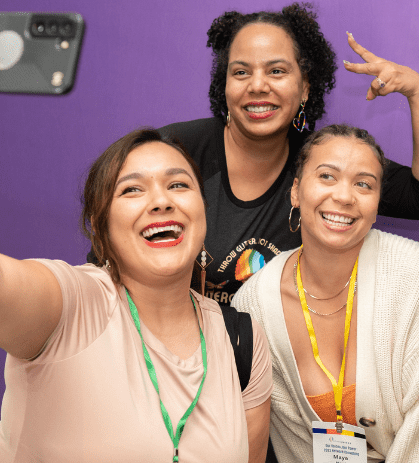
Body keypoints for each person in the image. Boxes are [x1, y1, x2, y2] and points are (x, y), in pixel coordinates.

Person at [0, 129, 272, 463]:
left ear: (203, 210)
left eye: (178, 185)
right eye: (132, 189)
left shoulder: (242, 341)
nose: (161, 201)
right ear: (101, 226)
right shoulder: (73, 304)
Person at [159, 3, 419, 304]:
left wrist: (417, 93)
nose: (257, 85)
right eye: (241, 72)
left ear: (305, 86)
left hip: (275, 347)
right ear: (224, 85)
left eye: (276, 71)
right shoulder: (174, 151)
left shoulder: (321, 162)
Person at [233, 124, 419, 463]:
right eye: (327, 176)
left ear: (377, 203)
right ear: (296, 192)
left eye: (363, 184)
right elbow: (288, 445)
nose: (344, 196)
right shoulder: (253, 305)